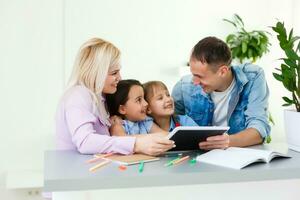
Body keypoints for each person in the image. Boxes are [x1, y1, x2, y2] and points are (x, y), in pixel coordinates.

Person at [55, 38, 174, 155]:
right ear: (96, 72)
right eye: (114, 73)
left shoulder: (101, 98)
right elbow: (85, 142)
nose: (120, 78)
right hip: (77, 170)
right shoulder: (78, 96)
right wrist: (136, 144)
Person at [172, 36, 271, 150]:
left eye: (199, 76)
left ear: (223, 71)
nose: (194, 81)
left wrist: (228, 141)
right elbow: (167, 124)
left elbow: (259, 128)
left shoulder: (253, 77)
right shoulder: (183, 87)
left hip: (239, 157)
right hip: (197, 160)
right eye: (193, 74)